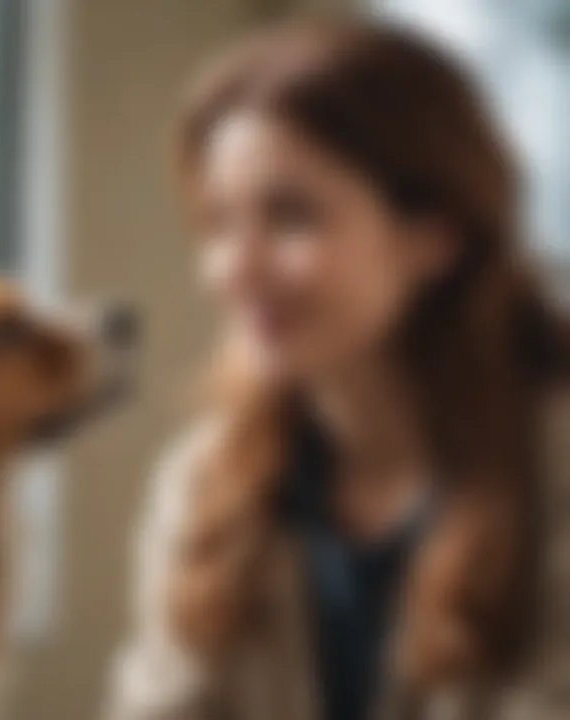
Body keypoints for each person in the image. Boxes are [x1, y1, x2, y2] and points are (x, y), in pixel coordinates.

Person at [106, 17, 570, 720]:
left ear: (433, 237)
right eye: (219, 224)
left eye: (290, 217)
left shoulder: (552, 473)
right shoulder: (204, 481)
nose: (236, 270)